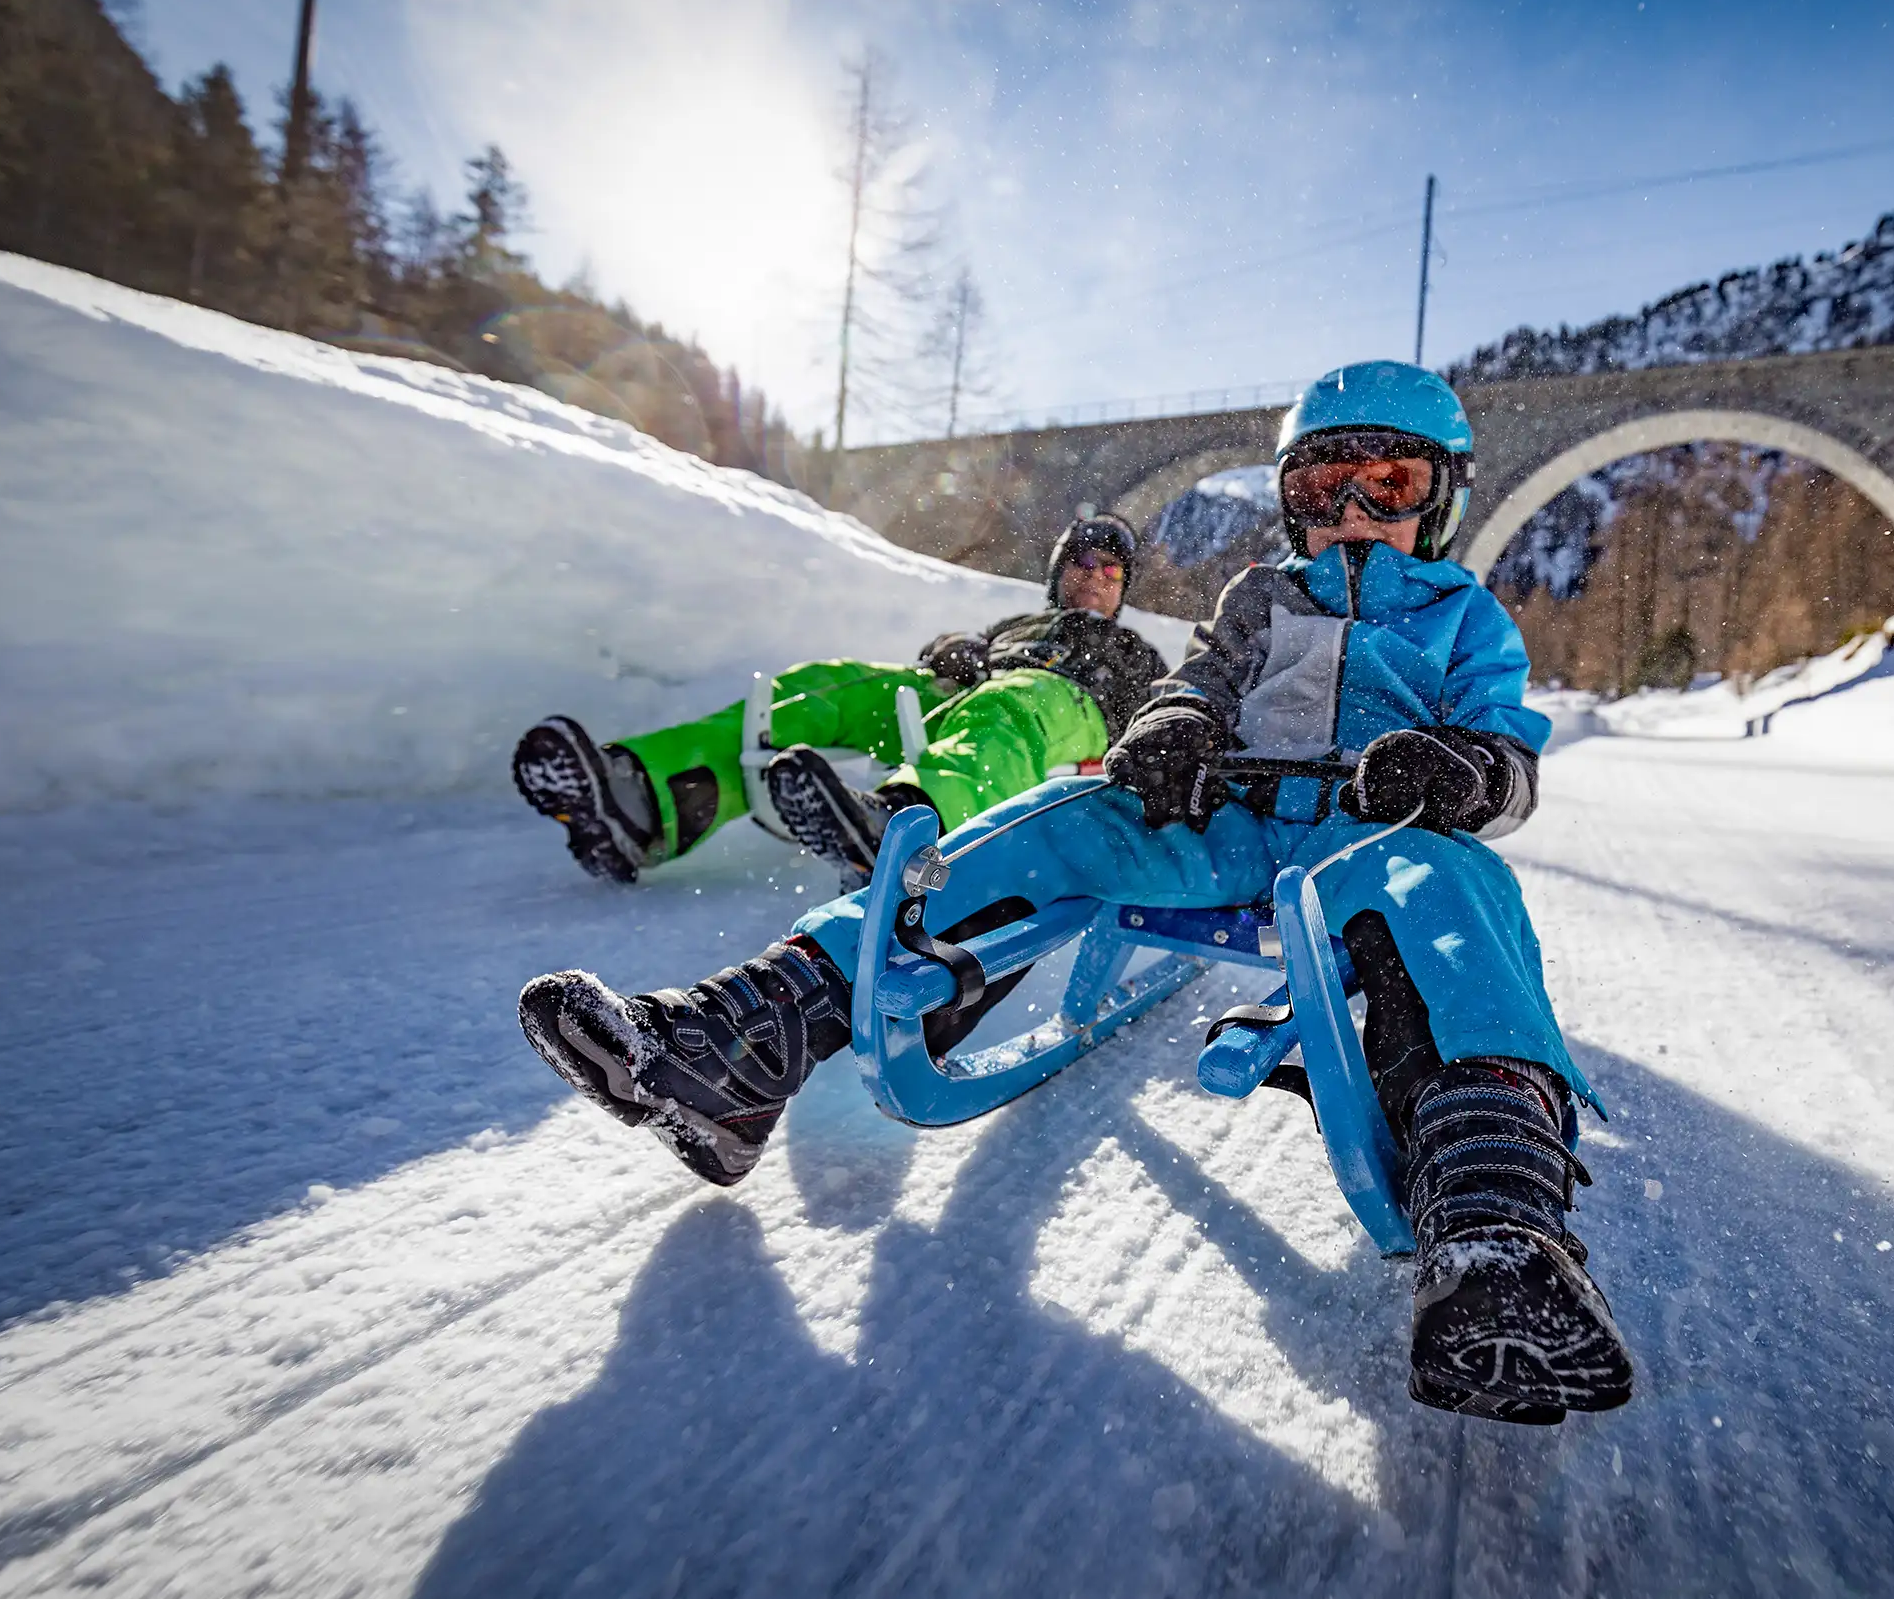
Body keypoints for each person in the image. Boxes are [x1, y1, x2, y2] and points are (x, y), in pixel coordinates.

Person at [515, 362, 1633, 1424]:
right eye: (1320, 486)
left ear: (1439, 500)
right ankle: (751, 1034)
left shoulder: (1465, 617)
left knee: (1459, 892)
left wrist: (1460, 769)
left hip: (1378, 834)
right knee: (1056, 817)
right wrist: (1173, 727)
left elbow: (1506, 751)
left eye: (1386, 484)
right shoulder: (1261, 597)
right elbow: (1197, 682)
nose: (1350, 511)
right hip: (1231, 825)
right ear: (1290, 500)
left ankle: (1495, 1226)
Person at [511, 515, 1166, 884]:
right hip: (965, 692)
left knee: (1009, 706)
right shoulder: (1013, 626)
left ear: (1123, 589)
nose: (1096, 577)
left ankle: (909, 832)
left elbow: (1160, 720)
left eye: (1112, 570)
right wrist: (955, 648)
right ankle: (646, 800)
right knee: (831, 685)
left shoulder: (1135, 651)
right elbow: (942, 651)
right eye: (1083, 562)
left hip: (1062, 712)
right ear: (1059, 572)